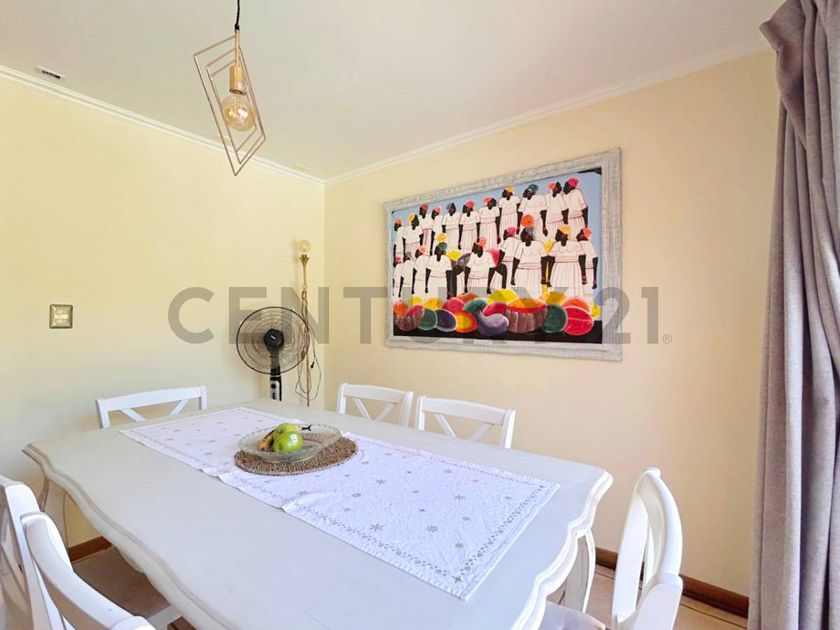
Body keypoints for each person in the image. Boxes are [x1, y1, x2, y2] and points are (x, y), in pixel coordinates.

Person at [511, 216, 545, 299]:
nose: (524, 237)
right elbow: (516, 261)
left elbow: (544, 261)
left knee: (535, 294)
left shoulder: (539, 245)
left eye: (526, 235)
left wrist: (543, 276)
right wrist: (513, 276)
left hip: (535, 272)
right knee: (521, 295)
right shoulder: (521, 245)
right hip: (522, 272)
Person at [547, 226, 585, 297]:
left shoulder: (576, 244)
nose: (556, 234)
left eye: (558, 233)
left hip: (573, 270)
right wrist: (549, 278)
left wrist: (583, 275)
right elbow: (550, 261)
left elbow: (582, 258)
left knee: (572, 292)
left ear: (565, 234)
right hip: (558, 271)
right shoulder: (556, 245)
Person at [577, 227, 598, 297]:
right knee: (587, 294)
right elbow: (595, 259)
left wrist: (594, 279)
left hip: (583, 270)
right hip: (587, 270)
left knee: (582, 293)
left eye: (581, 233)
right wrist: (595, 279)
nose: (578, 235)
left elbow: (595, 259)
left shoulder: (585, 244)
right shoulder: (588, 244)